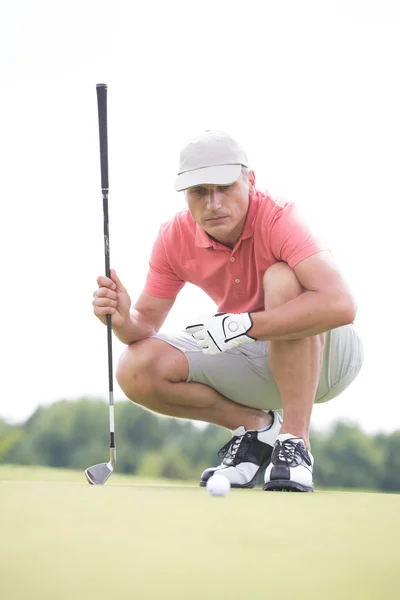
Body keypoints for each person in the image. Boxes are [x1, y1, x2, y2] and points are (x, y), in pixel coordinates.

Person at [92, 130, 363, 492]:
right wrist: (124, 320)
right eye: (199, 192)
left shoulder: (278, 218)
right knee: (135, 366)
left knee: (282, 278)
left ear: (250, 180)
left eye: (224, 188)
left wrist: (246, 324)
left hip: (332, 359)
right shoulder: (174, 237)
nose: (213, 203)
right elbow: (145, 325)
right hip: (255, 356)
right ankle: (257, 428)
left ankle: (295, 441)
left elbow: (341, 304)